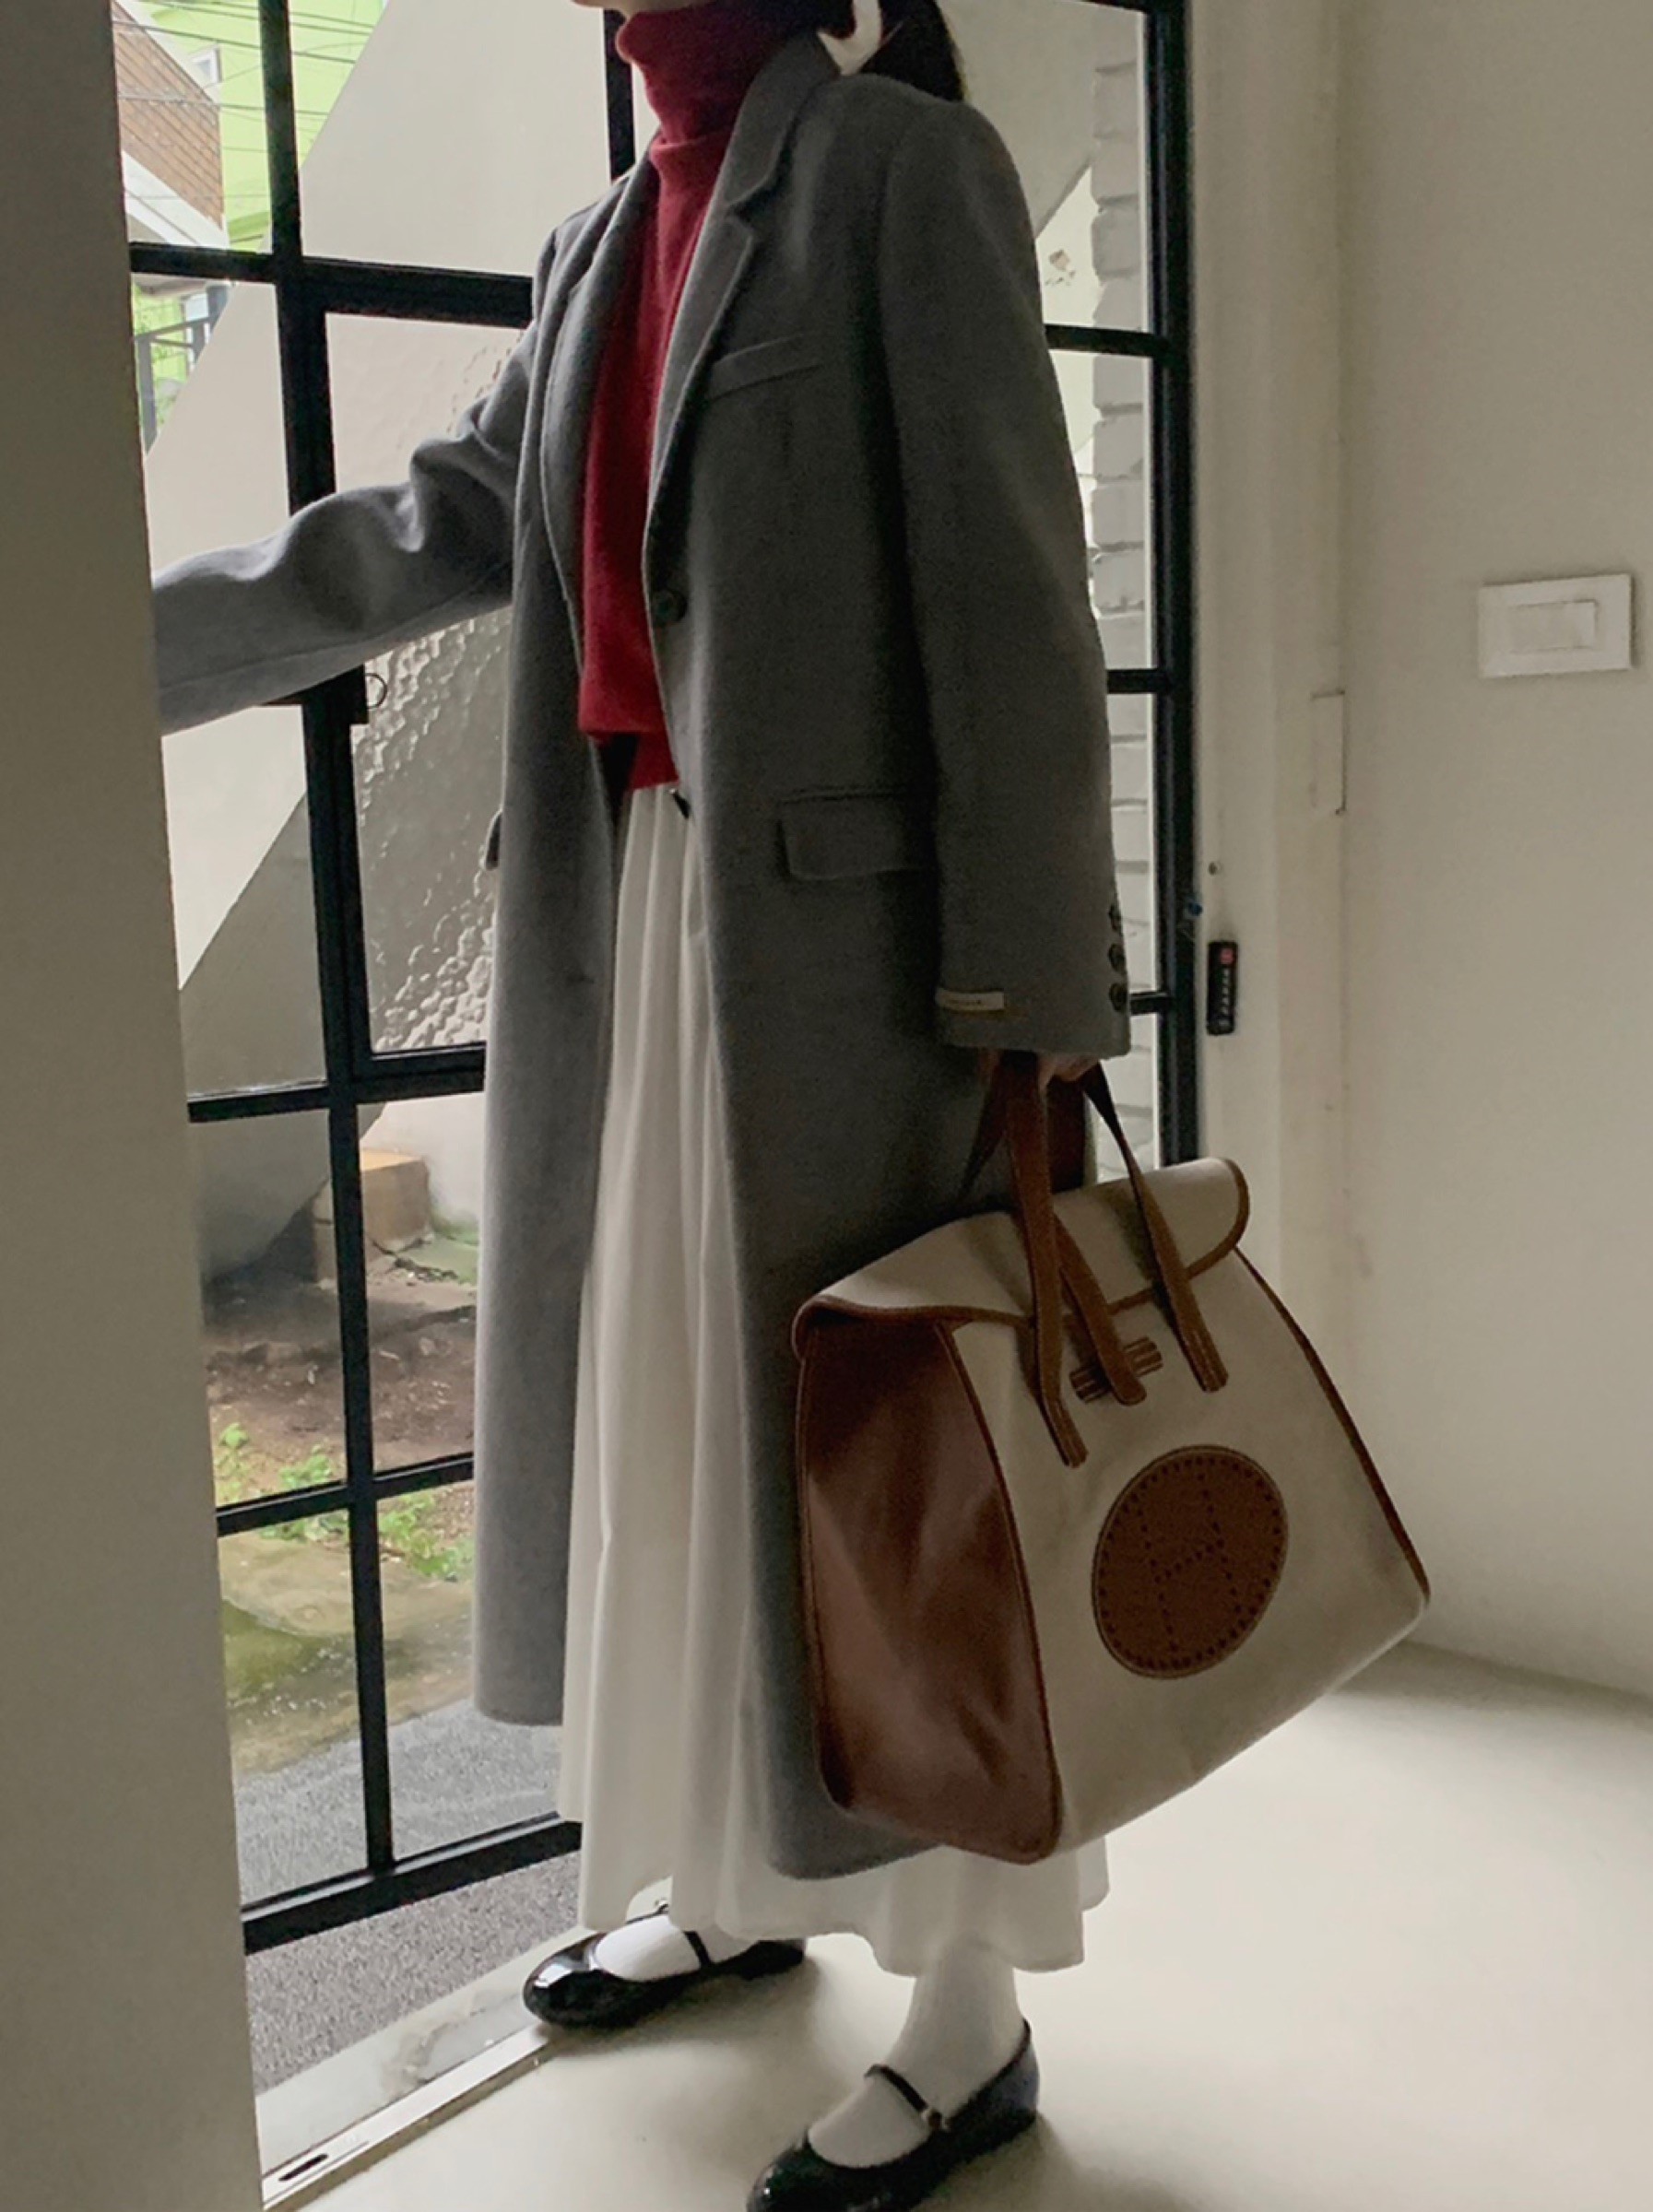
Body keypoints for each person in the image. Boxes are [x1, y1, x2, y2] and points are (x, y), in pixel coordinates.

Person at [152, 0, 1130, 2203]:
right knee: (681, 1449)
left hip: (870, 983)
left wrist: (1033, 996)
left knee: (898, 1488)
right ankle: (732, 1881)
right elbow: (438, 523)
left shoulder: (901, 176)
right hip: (633, 940)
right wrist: (117, 639)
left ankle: (971, 2015)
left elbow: (1012, 602)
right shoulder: (602, 239)